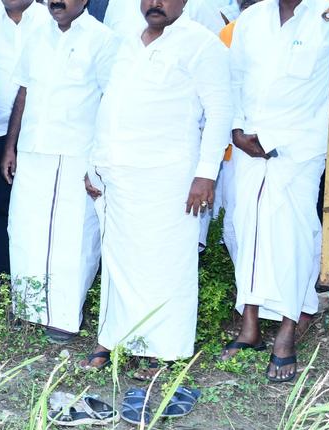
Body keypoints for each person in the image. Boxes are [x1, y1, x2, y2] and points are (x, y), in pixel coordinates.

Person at [221, 0, 329, 382]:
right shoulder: (252, 19)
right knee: (247, 230)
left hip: (301, 146)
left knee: (293, 234)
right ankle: (250, 325)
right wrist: (237, 131)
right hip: (249, 144)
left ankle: (288, 329)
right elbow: (235, 80)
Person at [83, 0, 231, 377]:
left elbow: (219, 112)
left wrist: (206, 174)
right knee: (119, 259)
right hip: (119, 173)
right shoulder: (128, 42)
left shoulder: (202, 43)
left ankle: (162, 351)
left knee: (165, 263)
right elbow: (111, 106)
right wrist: (95, 164)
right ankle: (115, 338)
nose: (155, 3)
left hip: (170, 176)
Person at [1, 0, 117, 344]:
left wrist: (99, 161)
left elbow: (112, 102)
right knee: (24, 230)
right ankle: (28, 308)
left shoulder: (103, 39)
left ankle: (64, 317)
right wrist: (10, 145)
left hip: (76, 153)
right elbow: (23, 91)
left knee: (72, 237)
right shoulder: (37, 34)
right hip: (33, 150)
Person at [0, 0, 46, 282]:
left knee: (39, 203)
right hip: (0, 130)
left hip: (42, 130)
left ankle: (38, 270)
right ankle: (7, 274)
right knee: (6, 202)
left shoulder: (49, 21)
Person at [214, 0, 261, 264]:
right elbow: (225, 89)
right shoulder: (231, 32)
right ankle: (246, 289)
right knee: (237, 216)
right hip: (238, 143)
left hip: (278, 142)